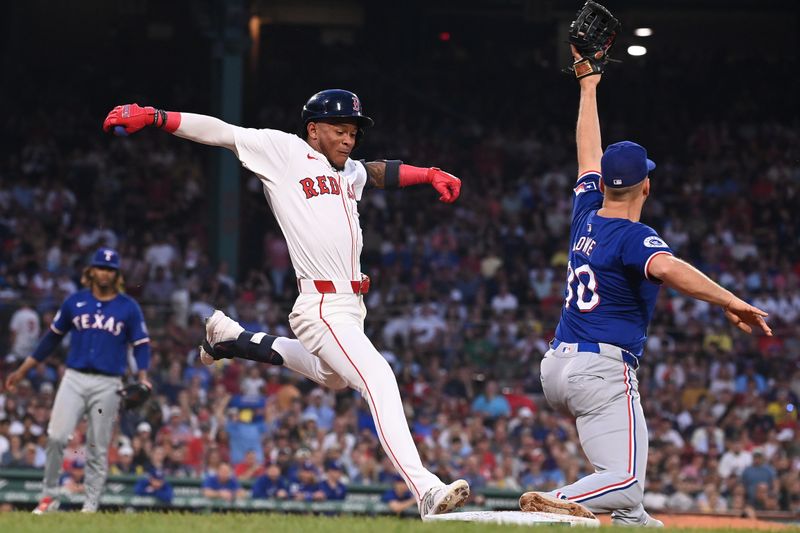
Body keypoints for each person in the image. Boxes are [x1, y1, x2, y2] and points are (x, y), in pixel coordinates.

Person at [103, 89, 469, 518]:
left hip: (352, 306)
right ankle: (424, 487)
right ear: (313, 130)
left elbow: (377, 172)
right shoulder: (286, 152)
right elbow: (223, 132)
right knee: (378, 377)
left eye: (353, 131)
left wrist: (427, 174)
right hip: (321, 304)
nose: (348, 138)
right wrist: (156, 116)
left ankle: (233, 338)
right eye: (339, 129)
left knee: (333, 378)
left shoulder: (347, 171)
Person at [518, 45, 772, 526]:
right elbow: (671, 269)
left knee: (630, 508)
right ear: (646, 187)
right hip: (602, 372)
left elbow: (587, 154)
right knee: (627, 482)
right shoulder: (635, 237)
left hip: (558, 366)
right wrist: (732, 300)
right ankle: (550, 505)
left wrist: (588, 85)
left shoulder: (586, 213)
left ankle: (596, 512)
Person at [5, 248, 152, 514]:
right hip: (74, 378)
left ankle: (91, 505)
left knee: (97, 446)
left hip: (108, 384)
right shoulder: (75, 301)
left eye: (110, 269)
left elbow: (141, 344)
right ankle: (49, 497)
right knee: (56, 437)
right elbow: (50, 338)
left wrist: (143, 375)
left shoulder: (128, 307)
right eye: (100, 267)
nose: (104, 272)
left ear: (116, 274)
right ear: (91, 271)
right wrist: (24, 370)